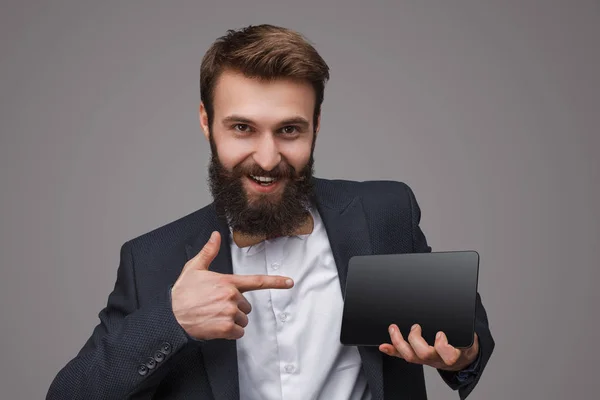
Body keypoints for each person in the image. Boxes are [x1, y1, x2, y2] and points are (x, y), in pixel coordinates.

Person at [47, 24, 494, 400]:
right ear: (206, 122)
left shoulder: (383, 213)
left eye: (289, 130)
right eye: (242, 128)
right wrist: (172, 320)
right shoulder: (151, 261)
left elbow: (464, 330)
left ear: (316, 125)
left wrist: (464, 351)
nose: (266, 157)